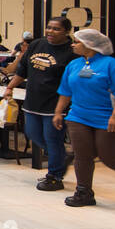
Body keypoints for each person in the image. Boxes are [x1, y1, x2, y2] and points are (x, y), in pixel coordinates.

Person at [53, 28, 115, 208]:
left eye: (77, 42)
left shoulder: (112, 65)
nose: (73, 44)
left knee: (109, 156)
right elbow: (65, 91)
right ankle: (84, 192)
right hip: (78, 116)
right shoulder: (74, 65)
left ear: (90, 45)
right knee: (82, 155)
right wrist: (58, 112)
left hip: (109, 116)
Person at [5, 16, 74, 192]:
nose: (50, 31)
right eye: (49, 27)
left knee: (53, 138)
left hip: (55, 103)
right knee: (32, 133)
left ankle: (54, 176)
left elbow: (71, 81)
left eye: (56, 29)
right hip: (32, 101)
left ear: (66, 31)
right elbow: (23, 70)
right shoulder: (37, 45)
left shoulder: (71, 52)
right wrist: (10, 87)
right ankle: (59, 158)